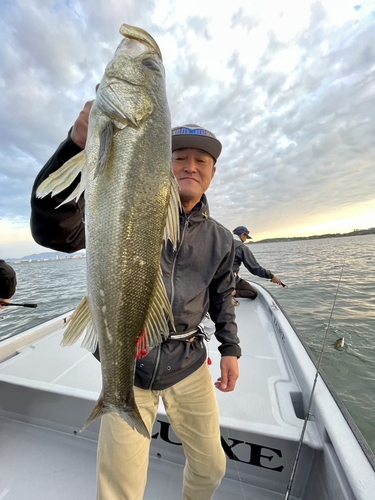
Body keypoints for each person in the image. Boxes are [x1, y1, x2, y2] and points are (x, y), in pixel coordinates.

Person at [30, 103, 241, 500]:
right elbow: (53, 229)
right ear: (162, 164)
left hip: (189, 363)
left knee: (212, 465)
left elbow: (221, 296)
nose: (190, 166)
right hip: (131, 367)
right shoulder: (124, 211)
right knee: (118, 488)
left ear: (212, 174)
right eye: (179, 158)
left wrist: (230, 349)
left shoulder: (222, 240)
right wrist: (76, 146)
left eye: (201, 160)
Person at [232, 226, 283, 302]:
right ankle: (230, 293)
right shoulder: (241, 247)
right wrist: (271, 276)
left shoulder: (219, 243)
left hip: (213, 279)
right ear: (242, 235)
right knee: (252, 293)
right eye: (246, 237)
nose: (245, 240)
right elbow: (254, 268)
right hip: (227, 279)